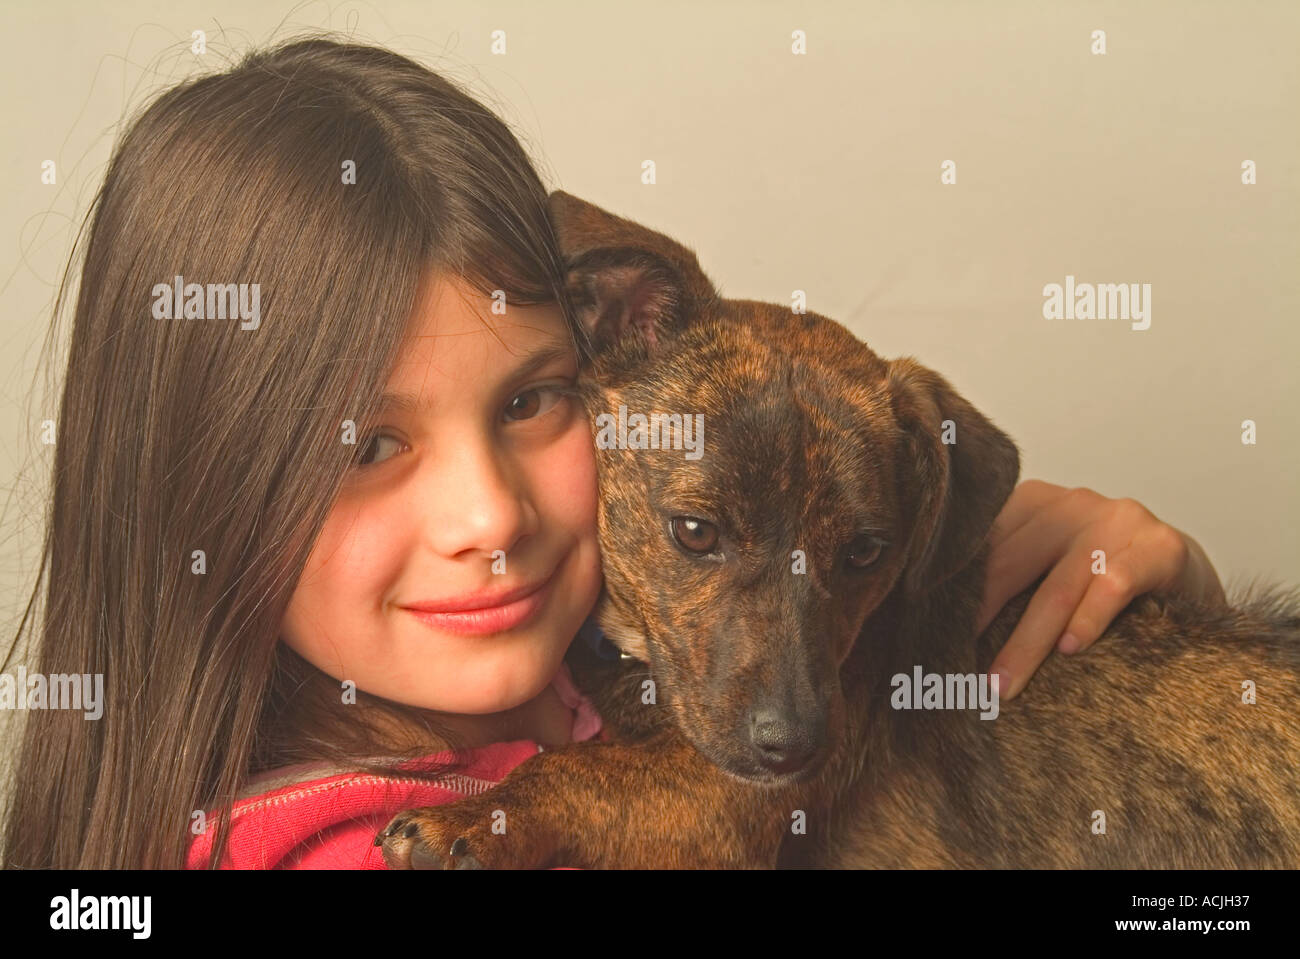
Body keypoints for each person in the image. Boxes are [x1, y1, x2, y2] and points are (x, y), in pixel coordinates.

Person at [0, 38, 1227, 870]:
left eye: (534, 401)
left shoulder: (575, 690)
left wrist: (1168, 608)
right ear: (200, 479)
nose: (489, 513)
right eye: (367, 442)